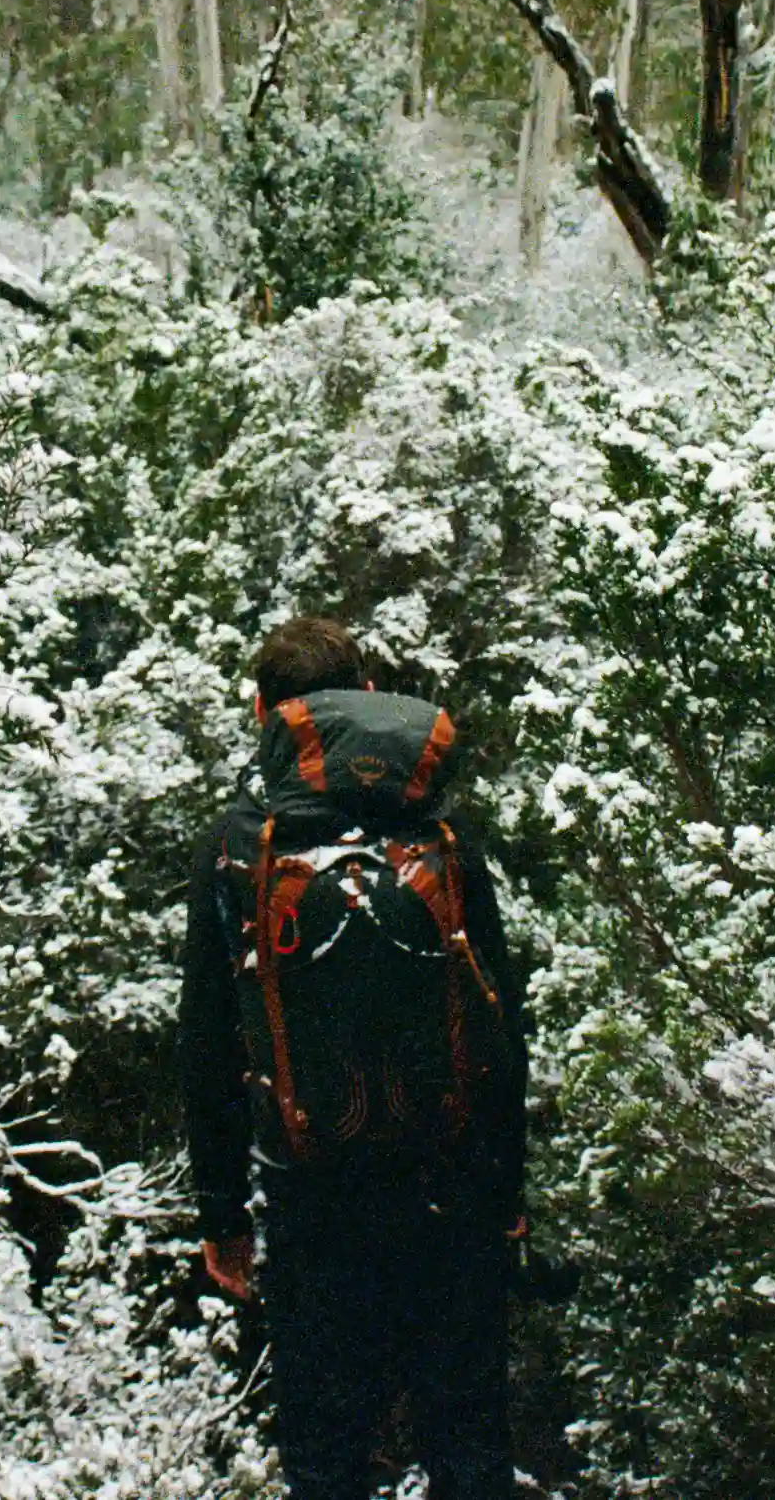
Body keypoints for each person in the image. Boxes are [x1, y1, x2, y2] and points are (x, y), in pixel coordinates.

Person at [177, 615, 530, 1500]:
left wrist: (224, 1216)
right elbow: (499, 1027)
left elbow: (209, 1045)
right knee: (470, 1449)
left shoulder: (237, 847)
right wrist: (506, 1194)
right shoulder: (443, 835)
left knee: (328, 1463)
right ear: (365, 696)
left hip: (310, 1197)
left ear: (263, 713)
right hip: (448, 1193)